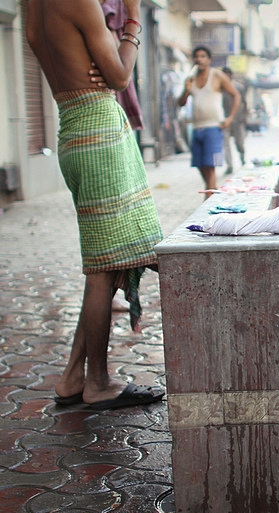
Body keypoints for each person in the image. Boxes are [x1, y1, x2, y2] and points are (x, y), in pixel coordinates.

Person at [26, 0, 165, 409]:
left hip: (71, 129)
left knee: (105, 262)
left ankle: (73, 378)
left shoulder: (34, 7)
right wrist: (133, 20)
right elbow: (119, 75)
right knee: (103, 269)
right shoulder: (80, 3)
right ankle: (98, 381)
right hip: (100, 134)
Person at [177, 46, 241, 198]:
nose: (199, 59)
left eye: (203, 56)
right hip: (197, 128)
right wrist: (186, 90)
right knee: (200, 164)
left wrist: (230, 118)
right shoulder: (190, 79)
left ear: (209, 59)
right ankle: (212, 190)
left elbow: (236, 95)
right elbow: (180, 103)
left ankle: (209, 198)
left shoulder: (217, 75)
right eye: (196, 56)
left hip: (215, 128)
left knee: (211, 166)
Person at [221, 66, 247, 175]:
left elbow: (244, 103)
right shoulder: (219, 88)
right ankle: (230, 165)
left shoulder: (238, 87)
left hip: (237, 119)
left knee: (239, 142)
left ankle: (242, 158)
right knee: (225, 144)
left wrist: (244, 117)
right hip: (224, 120)